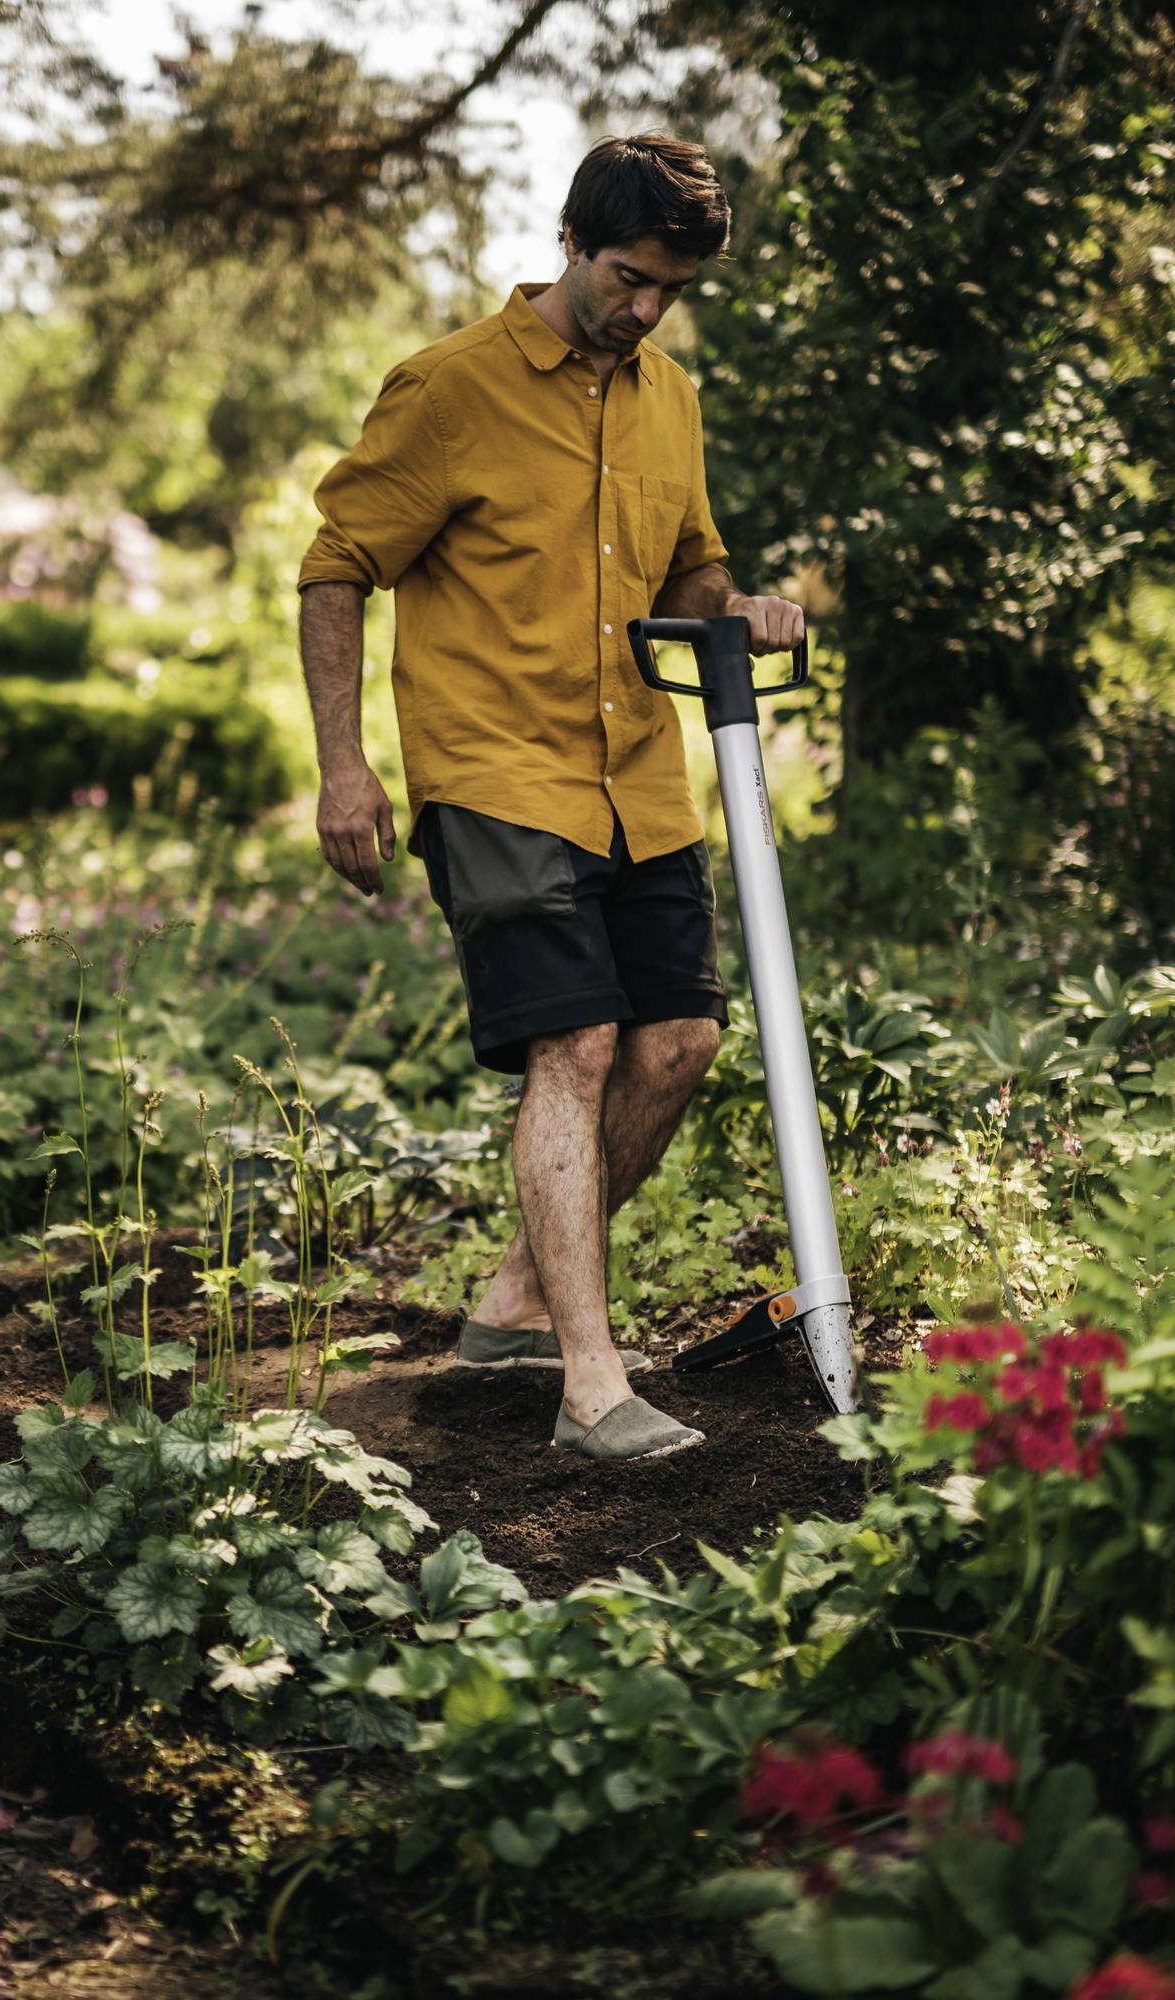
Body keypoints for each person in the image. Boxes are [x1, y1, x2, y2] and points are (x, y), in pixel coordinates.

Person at [294, 132, 804, 1464]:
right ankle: (591, 1385)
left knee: (678, 1043)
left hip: (638, 773)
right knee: (574, 1045)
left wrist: (738, 606)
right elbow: (337, 567)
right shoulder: (448, 388)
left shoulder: (670, 398)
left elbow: (688, 573)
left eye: (671, 290)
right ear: (572, 242)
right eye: (630, 277)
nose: (647, 309)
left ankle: (518, 1302)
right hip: (496, 768)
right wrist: (344, 765)